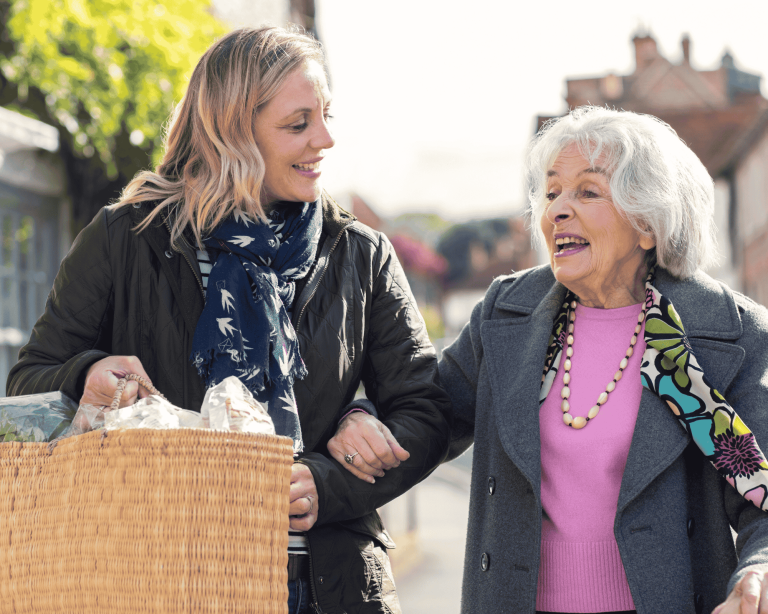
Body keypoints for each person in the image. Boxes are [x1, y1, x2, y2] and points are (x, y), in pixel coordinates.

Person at [6, 26, 451, 614]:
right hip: (160, 577)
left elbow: (426, 409)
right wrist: (86, 373)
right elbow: (29, 382)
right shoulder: (126, 239)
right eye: (298, 124)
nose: (326, 139)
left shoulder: (359, 253)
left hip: (330, 587)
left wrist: (328, 481)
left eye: (325, 116)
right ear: (232, 133)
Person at [335, 106, 768, 614]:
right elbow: (429, 416)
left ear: (649, 223)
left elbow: (761, 493)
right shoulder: (507, 314)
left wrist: (758, 569)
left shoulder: (724, 331)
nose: (557, 209)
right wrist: (362, 420)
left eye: (587, 191)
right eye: (552, 191)